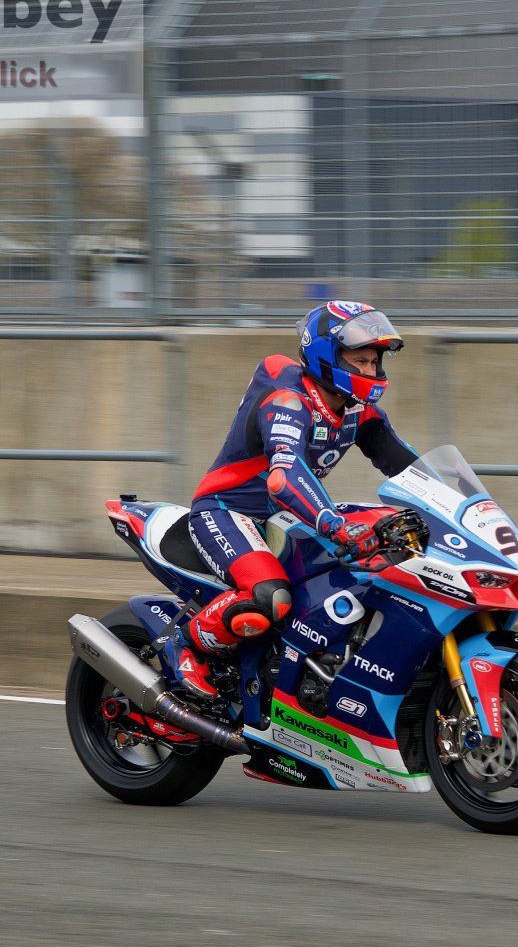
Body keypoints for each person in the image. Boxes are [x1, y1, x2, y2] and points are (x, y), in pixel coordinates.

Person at [161, 299, 420, 699]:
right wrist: (335, 524)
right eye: (361, 360)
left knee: (372, 572)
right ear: (327, 356)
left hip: (288, 519)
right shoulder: (288, 401)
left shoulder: (359, 412)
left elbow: (409, 468)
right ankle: (187, 645)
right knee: (271, 597)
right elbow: (284, 477)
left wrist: (467, 512)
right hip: (227, 512)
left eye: (375, 361)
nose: (371, 370)